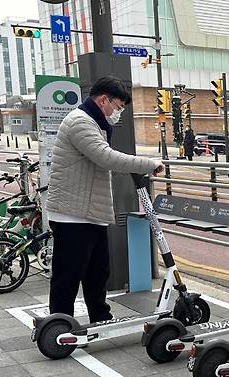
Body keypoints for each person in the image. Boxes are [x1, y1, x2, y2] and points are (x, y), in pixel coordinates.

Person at [46, 76, 164, 323]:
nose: (118, 113)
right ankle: (57, 325)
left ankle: (100, 318)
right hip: (73, 214)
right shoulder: (80, 122)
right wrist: (148, 163)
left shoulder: (94, 122)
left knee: (97, 273)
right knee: (68, 275)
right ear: (103, 100)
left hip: (88, 213)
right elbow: (106, 158)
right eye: (118, 107)